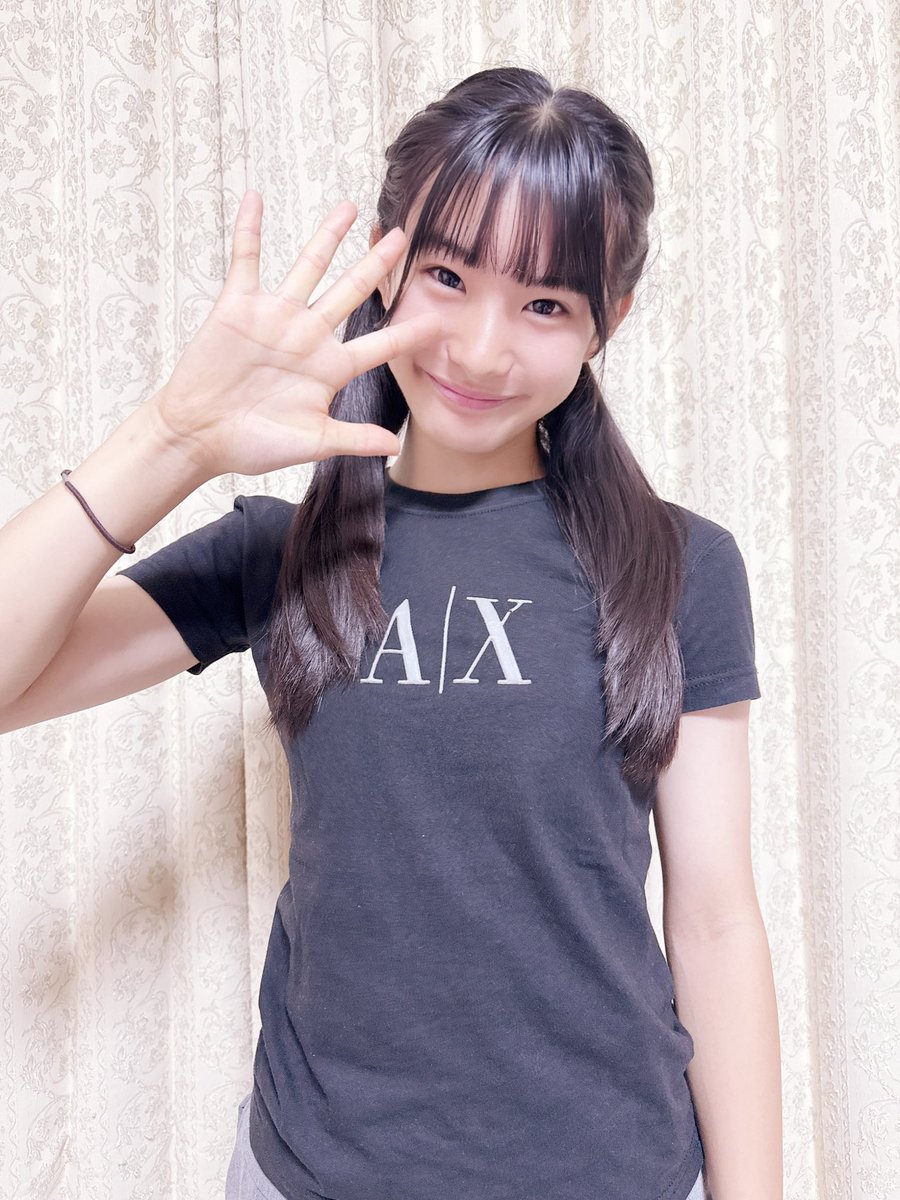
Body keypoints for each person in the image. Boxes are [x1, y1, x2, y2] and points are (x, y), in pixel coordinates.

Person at [0, 66, 782, 1200]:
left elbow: (713, 919)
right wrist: (174, 437)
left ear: (607, 322)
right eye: (448, 279)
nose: (479, 348)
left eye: (545, 305)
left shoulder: (679, 564)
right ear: (387, 266)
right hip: (312, 1172)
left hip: (610, 1170)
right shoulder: (279, 553)